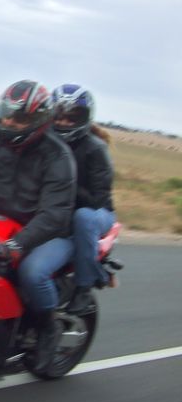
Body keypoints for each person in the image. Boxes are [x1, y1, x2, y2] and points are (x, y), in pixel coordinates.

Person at [0, 79, 76, 373]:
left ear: (39, 120)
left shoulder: (58, 156)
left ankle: (47, 329)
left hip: (51, 232)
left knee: (32, 273)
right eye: (6, 114)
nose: (8, 121)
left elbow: (53, 215)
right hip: (5, 223)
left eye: (18, 118)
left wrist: (15, 245)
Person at [52, 84, 115, 315]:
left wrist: (66, 185)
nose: (64, 122)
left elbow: (99, 198)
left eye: (72, 117)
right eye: (59, 116)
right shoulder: (47, 141)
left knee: (84, 218)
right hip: (57, 208)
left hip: (97, 213)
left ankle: (84, 287)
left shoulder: (95, 149)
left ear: (84, 118)